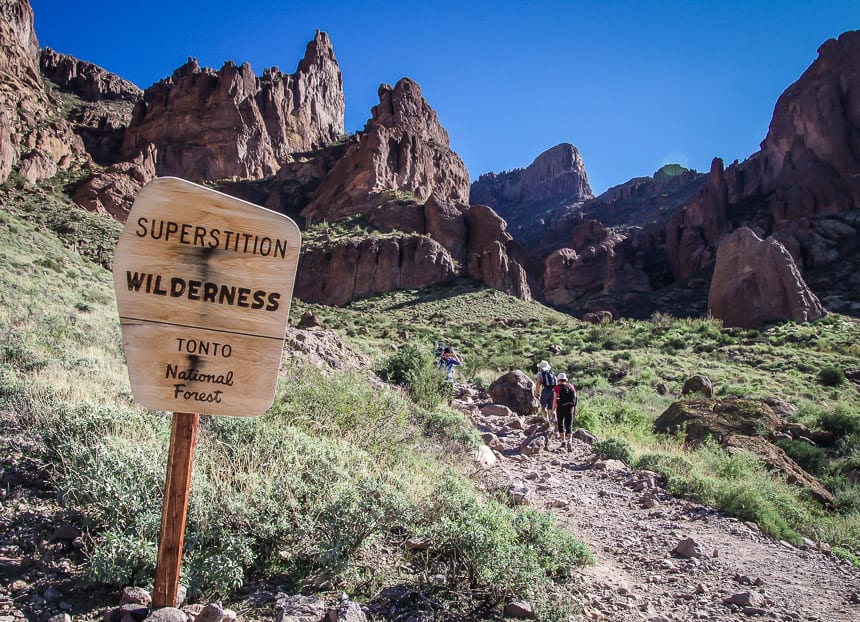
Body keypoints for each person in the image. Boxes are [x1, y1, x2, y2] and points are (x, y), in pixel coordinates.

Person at [552, 372, 577, 452]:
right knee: (569, 424)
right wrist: (574, 410)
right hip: (570, 407)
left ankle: (563, 442)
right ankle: (569, 440)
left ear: (558, 380)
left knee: (560, 424)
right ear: (566, 379)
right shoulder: (571, 387)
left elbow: (555, 399)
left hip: (560, 407)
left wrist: (553, 410)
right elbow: (575, 399)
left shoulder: (557, 388)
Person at [533, 360, 557, 427]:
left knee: (543, 408)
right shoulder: (552, 373)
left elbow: (538, 383)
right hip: (553, 391)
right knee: (552, 409)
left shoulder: (540, 373)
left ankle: (547, 421)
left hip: (546, 391)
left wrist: (536, 392)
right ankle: (555, 422)